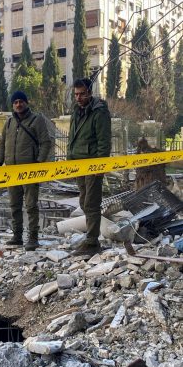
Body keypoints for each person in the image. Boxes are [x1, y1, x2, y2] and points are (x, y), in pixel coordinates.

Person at [0, 90, 51, 251]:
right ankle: (17, 236)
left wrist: (39, 162)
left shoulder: (37, 120)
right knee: (14, 204)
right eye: (15, 102)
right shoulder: (10, 122)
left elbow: (46, 142)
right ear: (13, 105)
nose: (18, 104)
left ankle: (33, 237)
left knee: (31, 205)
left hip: (29, 170)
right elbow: (2, 142)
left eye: (21, 101)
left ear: (26, 102)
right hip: (11, 171)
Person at [68, 78, 111, 257]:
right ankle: (92, 236)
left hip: (93, 164)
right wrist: (70, 160)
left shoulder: (99, 112)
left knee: (91, 203)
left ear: (89, 93)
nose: (78, 97)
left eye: (82, 94)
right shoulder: (76, 111)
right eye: (76, 94)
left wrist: (99, 165)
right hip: (79, 165)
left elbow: (104, 142)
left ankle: (92, 242)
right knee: (83, 202)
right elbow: (72, 137)